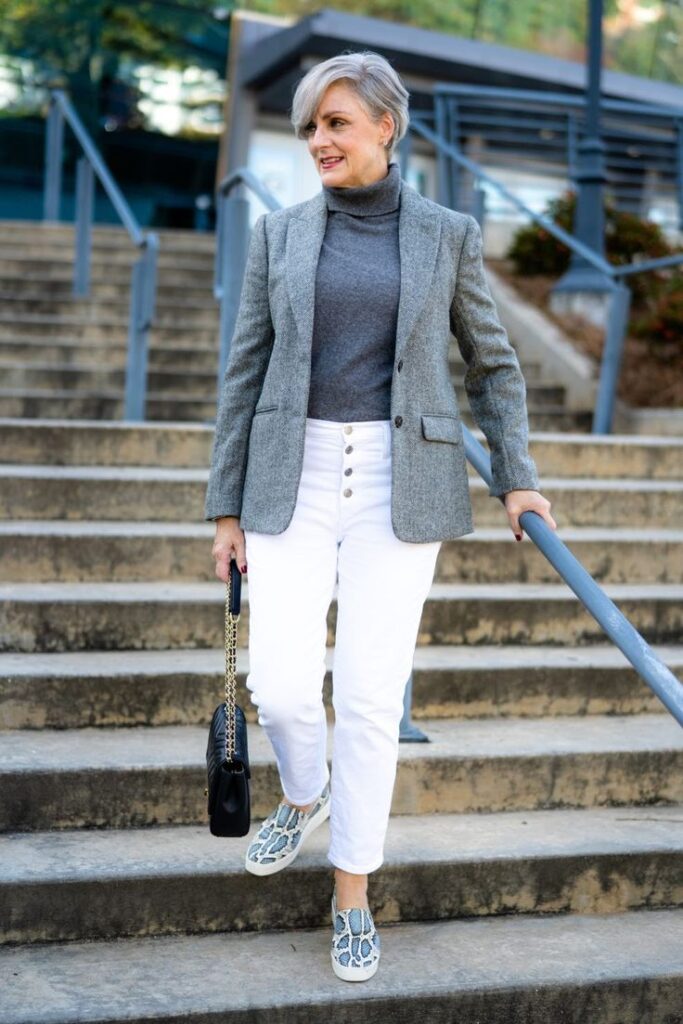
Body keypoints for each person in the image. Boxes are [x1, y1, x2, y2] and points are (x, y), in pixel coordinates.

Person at [205, 50, 557, 983]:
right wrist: (225, 507)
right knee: (281, 689)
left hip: (400, 486)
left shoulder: (446, 233)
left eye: (336, 124)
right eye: (310, 128)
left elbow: (491, 361)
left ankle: (352, 894)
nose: (318, 140)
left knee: (365, 699)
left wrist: (515, 475)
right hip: (294, 474)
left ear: (385, 127)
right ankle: (304, 791)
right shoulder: (279, 233)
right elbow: (243, 373)